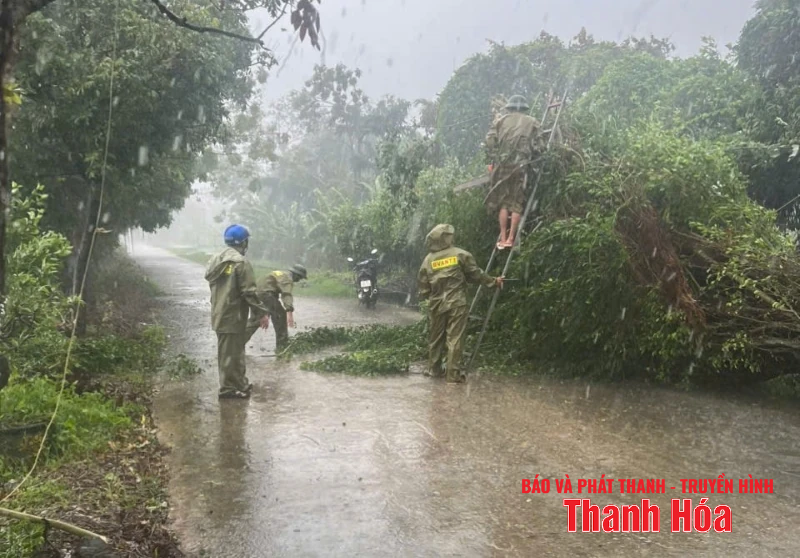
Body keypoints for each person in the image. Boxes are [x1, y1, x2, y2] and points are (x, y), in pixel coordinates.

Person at [417, 224, 504, 384]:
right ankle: (453, 375)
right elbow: (476, 275)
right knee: (454, 338)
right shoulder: (460, 255)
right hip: (457, 303)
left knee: (436, 338)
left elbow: (423, 287)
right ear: (447, 238)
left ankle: (434, 371)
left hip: (437, 304)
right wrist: (493, 282)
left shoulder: (427, 261)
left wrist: (432, 296)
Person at [205, 224, 269, 399]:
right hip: (233, 315)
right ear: (243, 242)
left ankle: (240, 384)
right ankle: (228, 389)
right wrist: (262, 312)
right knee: (230, 355)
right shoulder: (241, 263)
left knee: (234, 351)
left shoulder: (215, 260)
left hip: (219, 312)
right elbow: (249, 292)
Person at [484, 94, 543, 250]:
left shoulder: (500, 121)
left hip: (502, 166)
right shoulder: (532, 121)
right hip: (520, 166)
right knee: (516, 203)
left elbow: (490, 142)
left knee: (503, 203)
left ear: (509, 108)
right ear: (524, 108)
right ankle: (511, 240)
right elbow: (540, 145)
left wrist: (496, 154)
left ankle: (502, 239)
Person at [246, 264, 308, 354]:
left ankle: (237, 345)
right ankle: (282, 349)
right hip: (266, 295)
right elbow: (286, 294)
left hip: (255, 295)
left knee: (256, 320)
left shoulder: (279, 273)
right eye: (300, 278)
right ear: (296, 275)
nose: (298, 280)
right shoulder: (287, 278)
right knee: (280, 318)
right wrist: (289, 311)